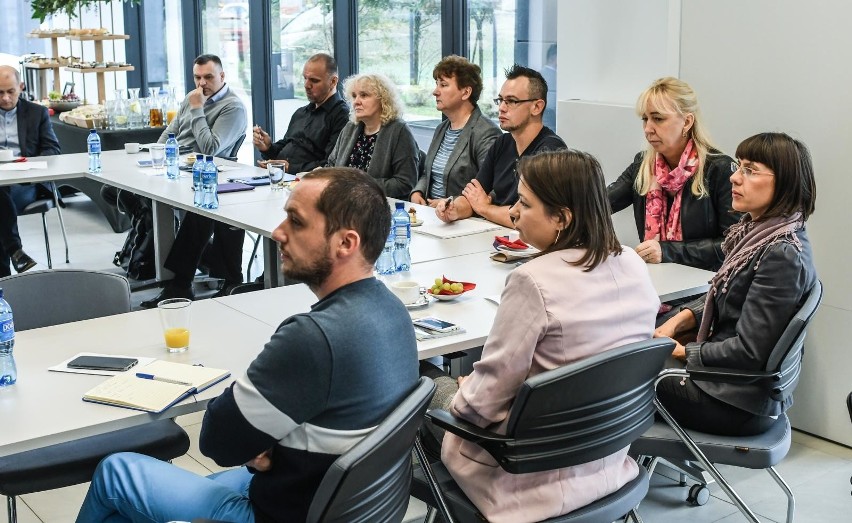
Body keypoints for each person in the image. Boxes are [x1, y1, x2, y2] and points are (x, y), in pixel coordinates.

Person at [77, 168, 420, 522]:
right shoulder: (392, 311)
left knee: (115, 473)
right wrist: (269, 438)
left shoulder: (313, 338)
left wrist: (260, 438)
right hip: (330, 501)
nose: (277, 232)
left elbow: (217, 442)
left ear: (346, 243)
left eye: (296, 222)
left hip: (277, 513)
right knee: (125, 512)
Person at [421, 150, 660, 523]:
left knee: (424, 386)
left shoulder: (533, 280)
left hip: (527, 477)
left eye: (525, 203)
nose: (513, 212)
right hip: (606, 461)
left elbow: (479, 407)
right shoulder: (631, 262)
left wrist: (466, 387)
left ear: (562, 218)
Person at [653, 132, 817, 436]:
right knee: (647, 339)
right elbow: (728, 289)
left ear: (785, 183)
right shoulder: (759, 234)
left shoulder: (781, 255)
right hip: (733, 390)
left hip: (734, 403)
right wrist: (680, 320)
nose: (734, 178)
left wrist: (684, 352)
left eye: (750, 170)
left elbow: (749, 352)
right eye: (738, 167)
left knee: (617, 383)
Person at [137, 54, 249, 307]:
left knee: (199, 212)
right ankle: (193, 268)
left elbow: (211, 150)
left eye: (208, 77)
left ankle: (180, 283)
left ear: (222, 76)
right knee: (129, 194)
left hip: (212, 174)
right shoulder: (192, 97)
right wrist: (161, 153)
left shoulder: (233, 107)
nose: (202, 83)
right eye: (197, 77)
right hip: (179, 168)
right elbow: (170, 132)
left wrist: (198, 109)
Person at [607, 77, 740, 272]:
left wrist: (669, 251)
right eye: (645, 119)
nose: (647, 129)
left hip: (706, 288)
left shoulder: (719, 169)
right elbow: (600, 203)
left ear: (687, 122)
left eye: (658, 118)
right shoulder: (643, 164)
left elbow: (735, 244)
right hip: (660, 281)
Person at [436, 64, 566, 228]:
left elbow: (531, 219)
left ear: (537, 107)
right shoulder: (502, 143)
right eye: (501, 100)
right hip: (498, 236)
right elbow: (474, 196)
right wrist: (454, 209)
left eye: (511, 101)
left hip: (532, 244)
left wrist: (485, 208)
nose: (502, 108)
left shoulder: (551, 151)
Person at [410, 55, 500, 206]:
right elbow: (428, 173)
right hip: (432, 215)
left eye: (443, 85)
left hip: (464, 221)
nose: (435, 92)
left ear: (465, 92)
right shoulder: (441, 128)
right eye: (436, 84)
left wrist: (453, 204)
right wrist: (418, 192)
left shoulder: (486, 133)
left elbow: (490, 187)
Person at [0, 65, 61, 276]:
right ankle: (15, 251)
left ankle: (4, 278)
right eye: (0, 93)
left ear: (21, 87)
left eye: (10, 91)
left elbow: (52, 149)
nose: (6, 98)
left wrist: (29, 165)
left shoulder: (37, 113)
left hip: (26, 183)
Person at [326, 73, 418, 199]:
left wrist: (359, 187)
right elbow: (331, 164)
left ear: (383, 99)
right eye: (354, 96)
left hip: (379, 206)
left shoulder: (398, 131)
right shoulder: (350, 127)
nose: (356, 102)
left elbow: (405, 183)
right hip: (344, 201)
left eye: (364, 95)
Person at [252, 53, 348, 174]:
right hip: (283, 177)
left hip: (309, 182)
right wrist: (267, 147)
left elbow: (331, 164)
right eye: (305, 78)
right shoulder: (301, 112)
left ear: (333, 81)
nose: (306, 85)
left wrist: (289, 168)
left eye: (314, 80)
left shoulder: (341, 116)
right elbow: (285, 148)